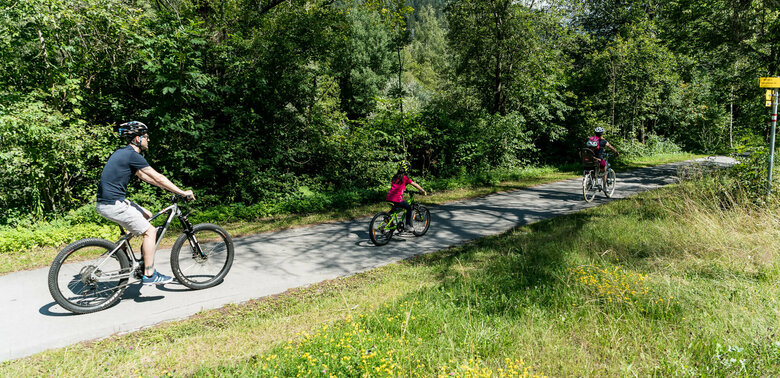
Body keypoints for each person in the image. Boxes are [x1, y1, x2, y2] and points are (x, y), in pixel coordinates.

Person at [96, 121, 194, 285]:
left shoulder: (124, 153)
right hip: (114, 204)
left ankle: (120, 249)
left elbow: (146, 177)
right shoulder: (132, 155)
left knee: (147, 214)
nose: (148, 140)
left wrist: (170, 189)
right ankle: (149, 274)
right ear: (137, 138)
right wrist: (182, 192)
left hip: (110, 202)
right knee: (150, 232)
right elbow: (158, 177)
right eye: (146, 137)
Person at [386, 161, 427, 232]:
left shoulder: (394, 177)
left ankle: (387, 217)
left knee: (395, 209)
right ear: (407, 169)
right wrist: (422, 191)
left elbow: (397, 186)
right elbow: (415, 184)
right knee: (408, 208)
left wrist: (404, 190)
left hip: (389, 197)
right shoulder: (405, 178)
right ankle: (407, 225)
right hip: (397, 199)